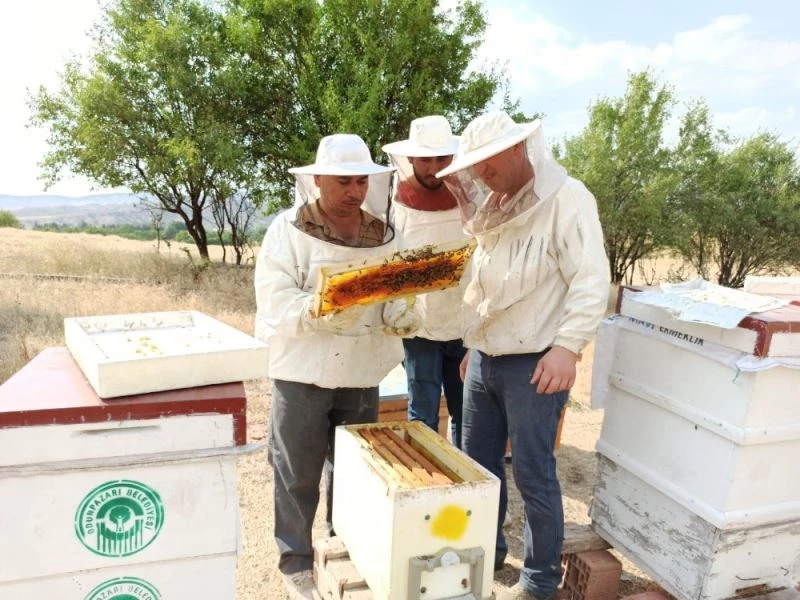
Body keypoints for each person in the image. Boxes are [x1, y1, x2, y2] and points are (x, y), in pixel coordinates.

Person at [436, 111, 610, 600]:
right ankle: (483, 556)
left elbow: (591, 279)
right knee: (478, 469)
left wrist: (568, 348)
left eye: (488, 166)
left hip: (536, 365)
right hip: (485, 361)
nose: (482, 177)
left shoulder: (568, 198)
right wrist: (474, 342)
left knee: (534, 473)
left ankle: (538, 582)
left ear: (518, 149)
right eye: (476, 169)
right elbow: (485, 288)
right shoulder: (498, 205)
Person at [254, 134, 420, 600]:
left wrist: (402, 309)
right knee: (297, 472)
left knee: (353, 472)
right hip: (302, 372)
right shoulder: (286, 231)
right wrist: (315, 309)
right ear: (318, 180)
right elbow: (273, 299)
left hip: (362, 374)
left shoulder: (385, 235)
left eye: (361, 182)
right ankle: (296, 562)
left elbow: (398, 291)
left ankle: (340, 550)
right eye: (344, 181)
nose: (354, 191)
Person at [382, 115, 468, 448]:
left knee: (466, 414)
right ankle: (427, 486)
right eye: (426, 159)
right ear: (411, 159)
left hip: (463, 325)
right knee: (422, 415)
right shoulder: (395, 207)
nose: (433, 167)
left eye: (441, 158)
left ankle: (463, 487)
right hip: (418, 329)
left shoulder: (470, 199)